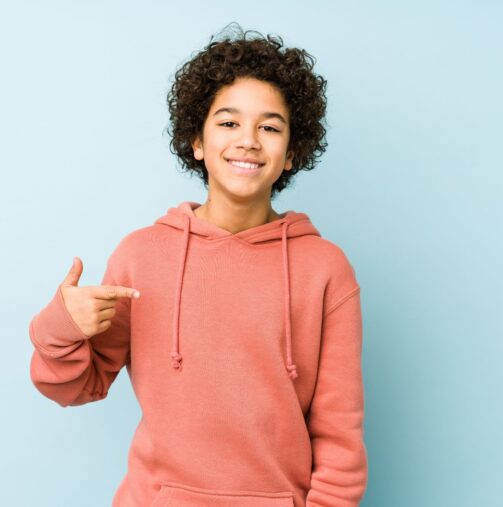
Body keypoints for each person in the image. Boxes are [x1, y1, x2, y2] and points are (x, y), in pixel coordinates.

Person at [28, 22, 368, 507]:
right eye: (228, 123)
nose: (248, 140)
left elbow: (340, 436)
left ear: (291, 152)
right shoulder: (141, 255)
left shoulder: (325, 270)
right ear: (197, 142)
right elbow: (74, 388)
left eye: (269, 127)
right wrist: (62, 327)